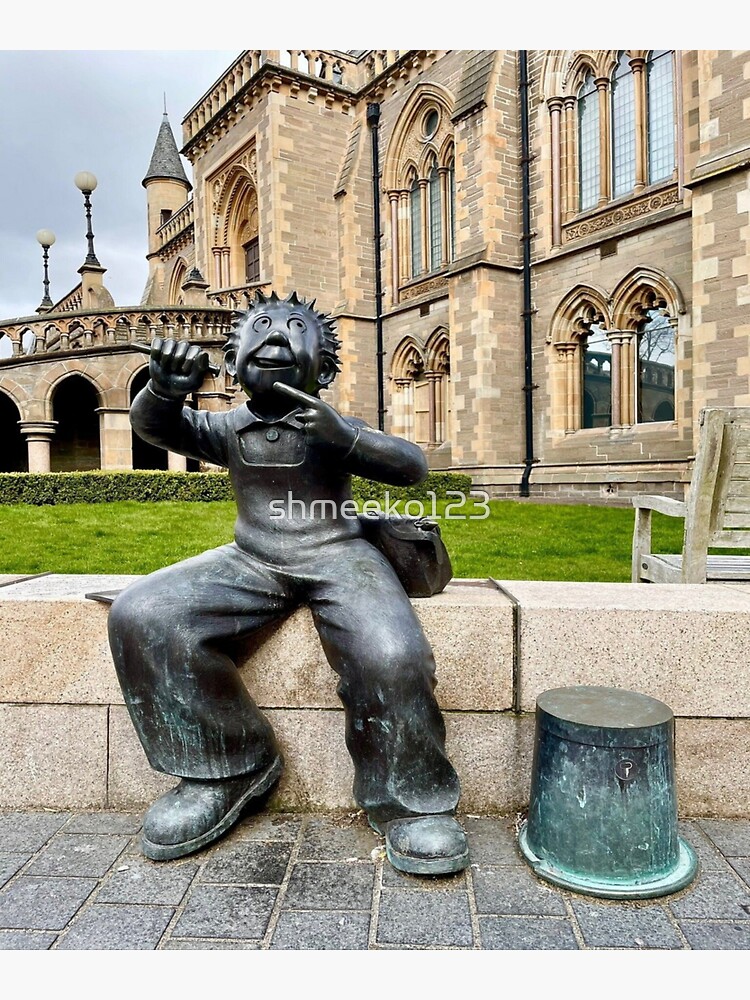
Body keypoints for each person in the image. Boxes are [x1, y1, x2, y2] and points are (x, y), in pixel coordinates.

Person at [108, 290, 468, 876]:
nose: (275, 335)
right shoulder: (227, 428)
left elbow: (412, 467)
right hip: (252, 559)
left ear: (323, 368)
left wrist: (344, 437)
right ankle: (226, 765)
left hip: (339, 555)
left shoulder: (330, 424)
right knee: (142, 614)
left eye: (294, 328)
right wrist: (163, 391)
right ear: (231, 362)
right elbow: (159, 430)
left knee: (392, 653)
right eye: (263, 327)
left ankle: (409, 801)